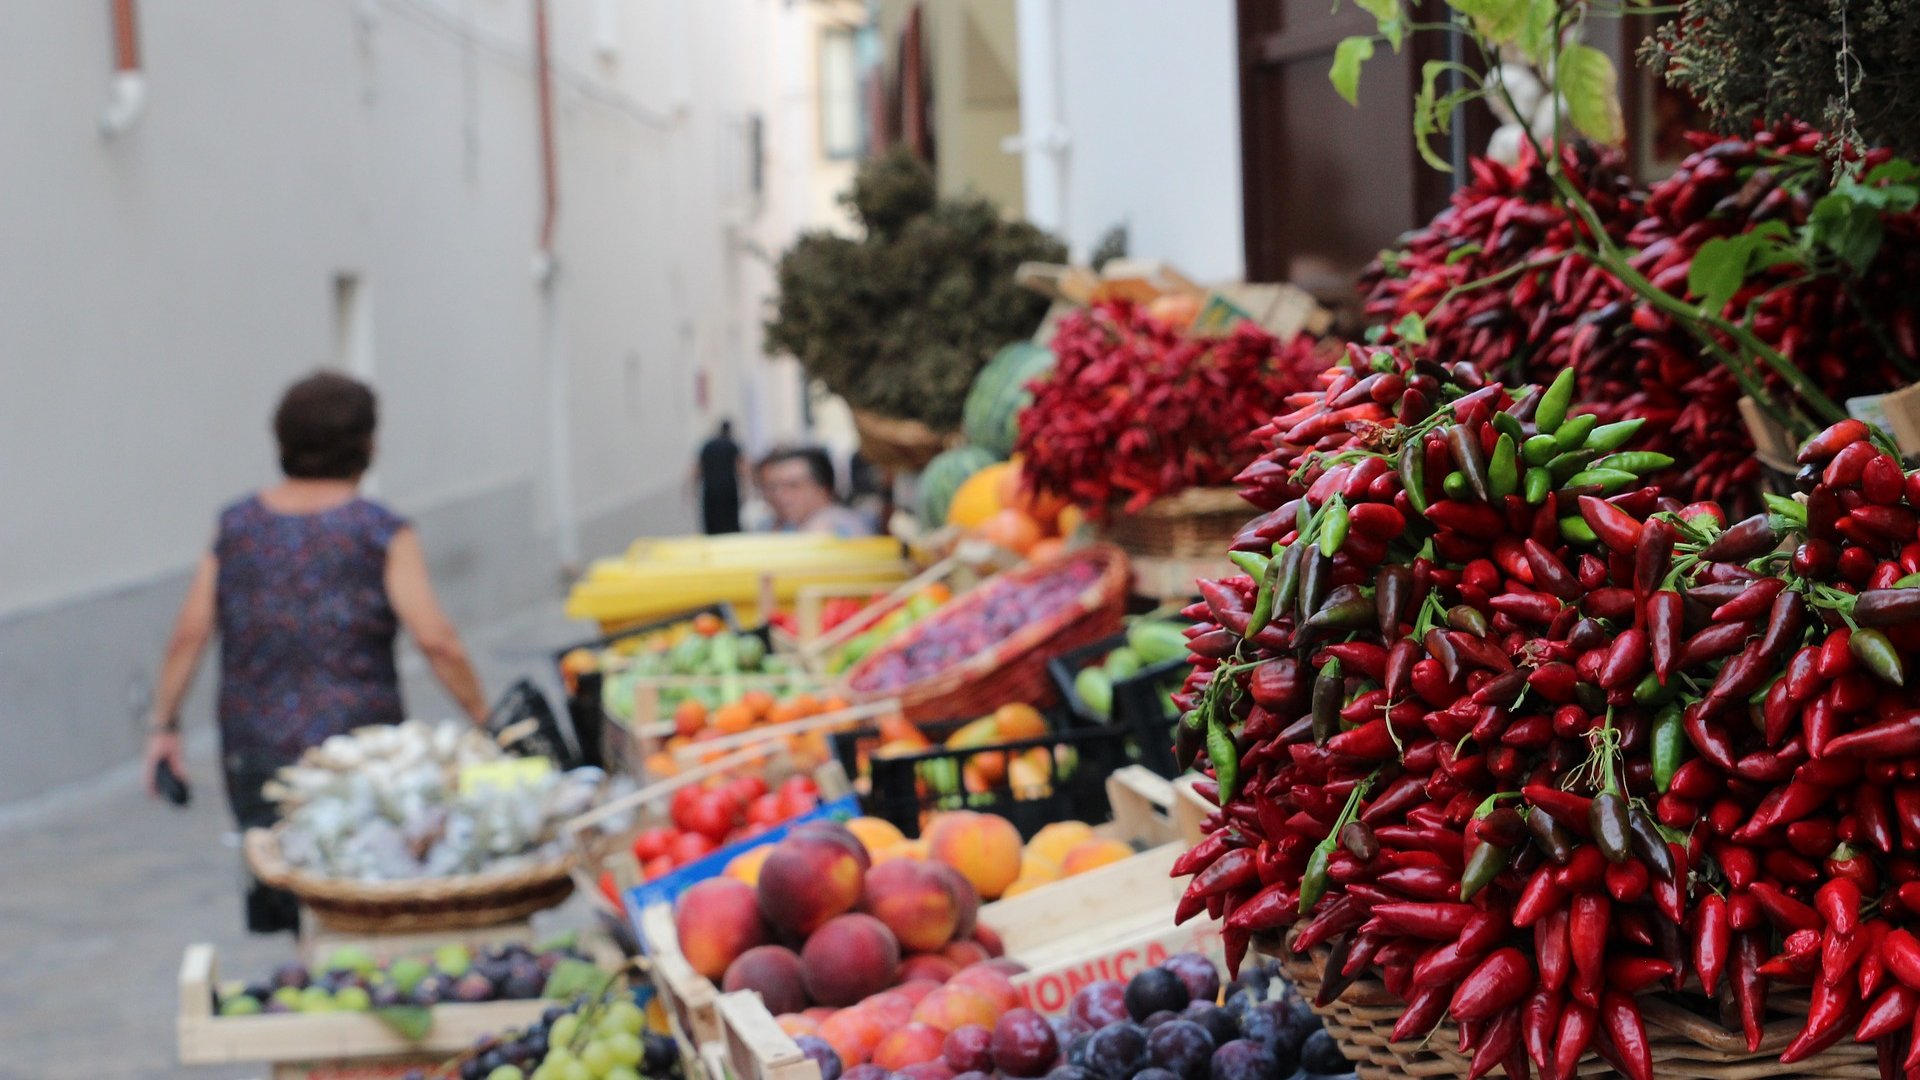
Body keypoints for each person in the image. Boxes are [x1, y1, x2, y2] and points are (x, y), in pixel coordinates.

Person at [142, 371, 490, 929]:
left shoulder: (237, 527)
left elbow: (190, 630)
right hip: (358, 752)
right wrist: (484, 718)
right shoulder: (379, 530)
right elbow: (436, 640)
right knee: (356, 888)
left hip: (255, 747)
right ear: (366, 446)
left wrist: (163, 725)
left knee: (284, 884)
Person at [758, 446, 875, 538]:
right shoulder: (791, 525)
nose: (780, 496)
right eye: (774, 488)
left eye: (793, 486)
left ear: (823, 488)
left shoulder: (828, 526)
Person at [692, 419, 744, 535]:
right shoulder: (732, 445)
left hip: (710, 489)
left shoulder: (708, 445)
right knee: (730, 521)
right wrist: (746, 490)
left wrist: (692, 490)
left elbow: (696, 469)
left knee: (712, 520)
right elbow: (741, 468)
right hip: (728, 488)